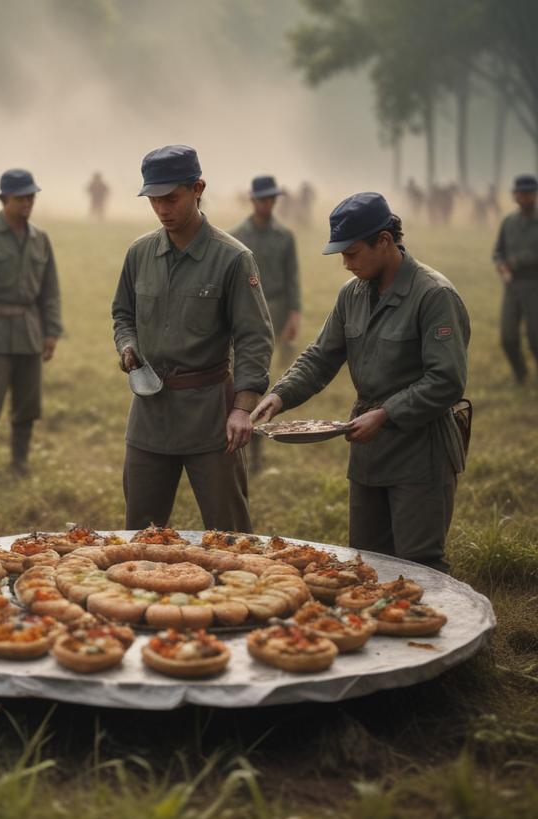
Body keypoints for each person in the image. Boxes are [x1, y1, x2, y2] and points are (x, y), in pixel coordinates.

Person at [250, 192, 470, 572]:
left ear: (384, 241)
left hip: (421, 450)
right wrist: (280, 396)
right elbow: (321, 356)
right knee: (367, 561)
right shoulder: (351, 295)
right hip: (368, 449)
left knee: (421, 564)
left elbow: (446, 380)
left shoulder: (433, 296)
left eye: (351, 253)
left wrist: (386, 414)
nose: (345, 265)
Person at [112, 145, 274, 532]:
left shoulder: (233, 258)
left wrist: (242, 408)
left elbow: (254, 338)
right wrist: (127, 345)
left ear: (197, 188)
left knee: (230, 535)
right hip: (149, 415)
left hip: (211, 418)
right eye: (154, 200)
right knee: (139, 535)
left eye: (171, 198)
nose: (162, 209)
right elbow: (123, 315)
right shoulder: (140, 254)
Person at [0, 168, 62, 474]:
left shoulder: (40, 239)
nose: (27, 203)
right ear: (4, 199)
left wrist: (52, 331)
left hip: (30, 332)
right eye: (21, 198)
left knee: (28, 407)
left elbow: (50, 290)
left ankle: (19, 463)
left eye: (31, 197)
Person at [230, 175, 302, 471]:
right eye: (263, 199)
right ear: (253, 200)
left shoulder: (285, 237)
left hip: (276, 309)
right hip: (243, 313)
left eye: (272, 198)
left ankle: (256, 453)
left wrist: (295, 314)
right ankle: (239, 448)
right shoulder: (236, 236)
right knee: (238, 381)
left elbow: (292, 278)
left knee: (262, 381)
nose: (267, 204)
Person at [493, 174, 538, 383]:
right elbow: (498, 252)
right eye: (521, 194)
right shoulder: (509, 222)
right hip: (512, 285)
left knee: (535, 337)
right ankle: (521, 374)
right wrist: (502, 265)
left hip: (534, 284)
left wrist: (517, 261)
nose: (525, 198)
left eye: (529, 193)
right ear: (514, 196)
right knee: (508, 337)